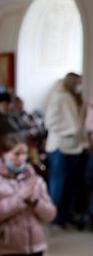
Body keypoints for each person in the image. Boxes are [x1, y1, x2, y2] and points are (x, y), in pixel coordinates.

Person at [44, 72, 88, 228]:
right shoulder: (59, 96)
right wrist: (71, 130)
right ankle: (53, 216)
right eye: (78, 82)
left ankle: (65, 214)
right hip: (59, 146)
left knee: (71, 183)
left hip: (74, 147)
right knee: (58, 184)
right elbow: (50, 122)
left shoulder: (76, 98)